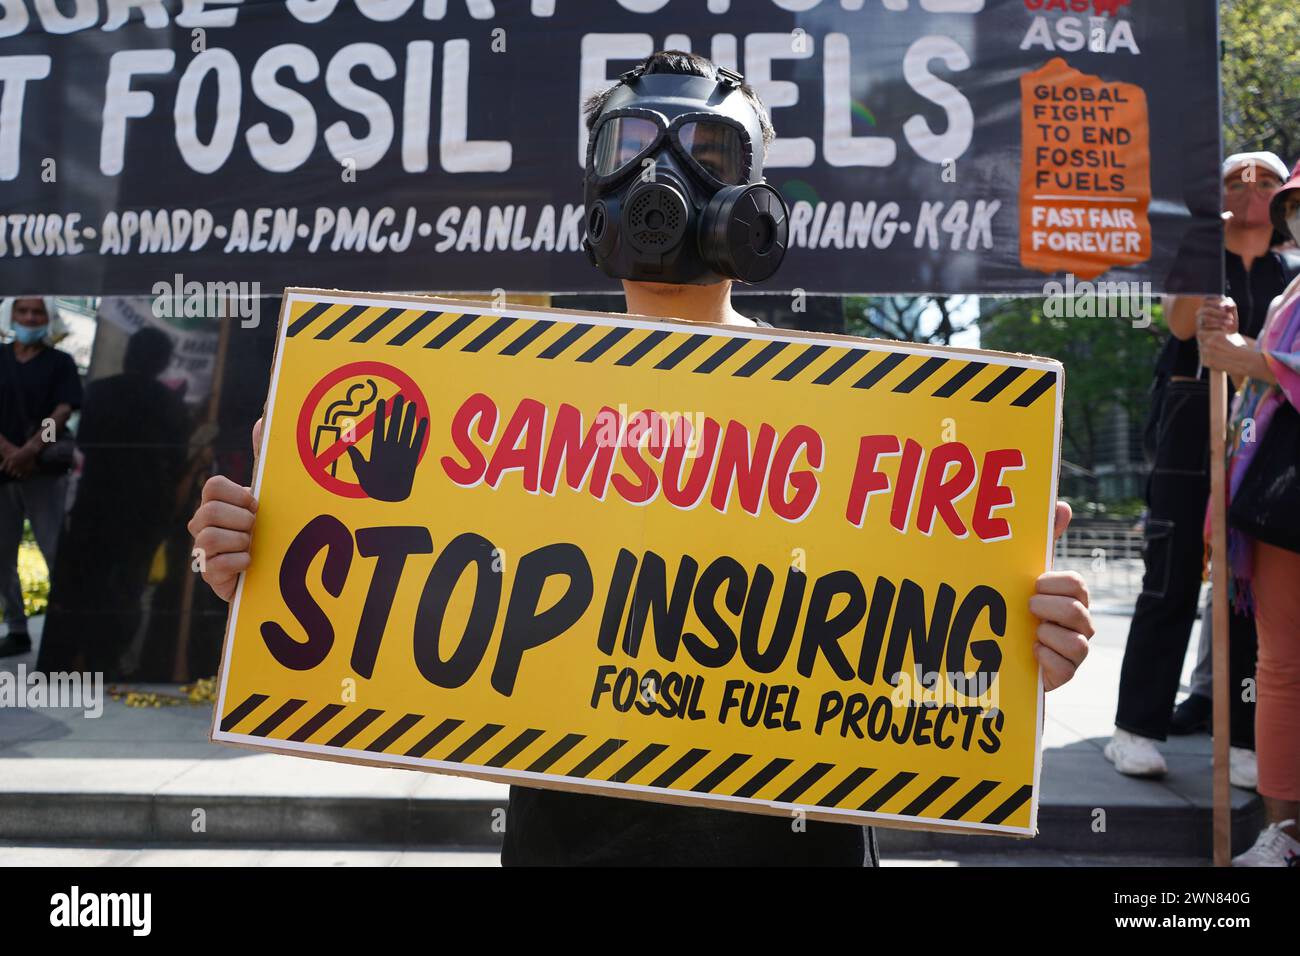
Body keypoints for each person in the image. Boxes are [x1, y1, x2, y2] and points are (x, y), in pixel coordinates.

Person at [186, 51, 1094, 866]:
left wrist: (1010, 663)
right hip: (569, 844)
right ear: (593, 186)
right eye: (631, 143)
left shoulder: (849, 414)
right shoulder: (509, 399)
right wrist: (272, 570)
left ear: (754, 200)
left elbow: (918, 670)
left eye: (710, 151)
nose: (666, 176)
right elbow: (446, 640)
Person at [1106, 153, 1298, 783]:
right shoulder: (1200, 256)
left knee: (1247, 583)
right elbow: (1181, 322)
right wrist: (1201, 243)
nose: (1251, 188)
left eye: (1267, 180)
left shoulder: (1290, 273)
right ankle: (1135, 727)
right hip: (1189, 428)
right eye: (1235, 178)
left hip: (1263, 447)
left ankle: (1245, 735)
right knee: (1173, 570)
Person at [1197, 160, 1300, 866]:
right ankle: (1284, 830)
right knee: (1281, 668)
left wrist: (1253, 357)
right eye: (1298, 205)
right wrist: (1234, 351)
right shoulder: (1293, 289)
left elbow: (1271, 368)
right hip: (1279, 508)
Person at [37, 327, 189, 676]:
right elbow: (178, 459)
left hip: (96, 505)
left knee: (84, 583)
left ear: (128, 355)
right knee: (128, 588)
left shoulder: (99, 393)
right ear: (163, 362)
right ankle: (106, 661)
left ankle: (71, 659)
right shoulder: (171, 405)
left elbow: (85, 443)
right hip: (145, 512)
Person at [0, 297, 81, 658]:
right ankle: (17, 630)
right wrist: (9, 452)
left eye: (37, 313)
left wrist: (31, 448)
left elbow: (62, 411)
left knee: (53, 550)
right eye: (23, 311)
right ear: (11, 315)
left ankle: (67, 631)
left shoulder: (60, 363)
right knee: (2, 554)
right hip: (3, 472)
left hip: (44, 474)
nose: (29, 318)